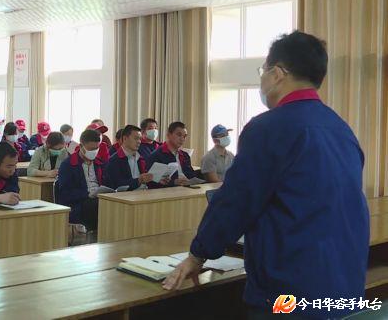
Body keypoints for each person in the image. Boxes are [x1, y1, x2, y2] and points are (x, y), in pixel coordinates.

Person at [163, 31, 370, 319]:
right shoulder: (341, 129)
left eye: (263, 71)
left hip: (291, 290)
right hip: (344, 286)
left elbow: (236, 201)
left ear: (278, 73)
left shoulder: (269, 128)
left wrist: (198, 254)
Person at [54, 129, 105, 230]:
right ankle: (97, 234)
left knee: (113, 204)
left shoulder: (99, 163)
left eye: (96, 148)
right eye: (91, 149)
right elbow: (65, 194)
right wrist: (88, 194)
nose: (94, 152)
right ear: (81, 146)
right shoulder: (68, 165)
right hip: (78, 204)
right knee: (97, 205)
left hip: (99, 198)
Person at [144, 122, 200, 188]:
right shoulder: (156, 155)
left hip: (187, 189)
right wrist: (174, 182)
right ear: (168, 135)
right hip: (167, 192)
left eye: (184, 136)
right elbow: (151, 183)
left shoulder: (185, 155)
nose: (182, 139)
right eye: (179, 135)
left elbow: (191, 175)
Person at [105, 125, 153, 191]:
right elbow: (117, 185)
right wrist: (139, 180)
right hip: (126, 195)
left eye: (140, 139)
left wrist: (156, 179)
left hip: (144, 192)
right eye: (136, 138)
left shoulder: (141, 157)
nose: (139, 141)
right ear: (125, 138)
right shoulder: (114, 160)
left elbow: (146, 180)